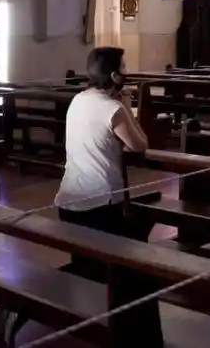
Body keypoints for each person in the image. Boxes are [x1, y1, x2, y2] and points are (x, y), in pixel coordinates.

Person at [54, 47, 148, 271]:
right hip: (100, 205)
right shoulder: (113, 108)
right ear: (114, 76)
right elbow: (140, 144)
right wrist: (126, 105)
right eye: (123, 67)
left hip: (69, 199)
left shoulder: (78, 99)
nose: (127, 71)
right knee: (108, 271)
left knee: (84, 269)